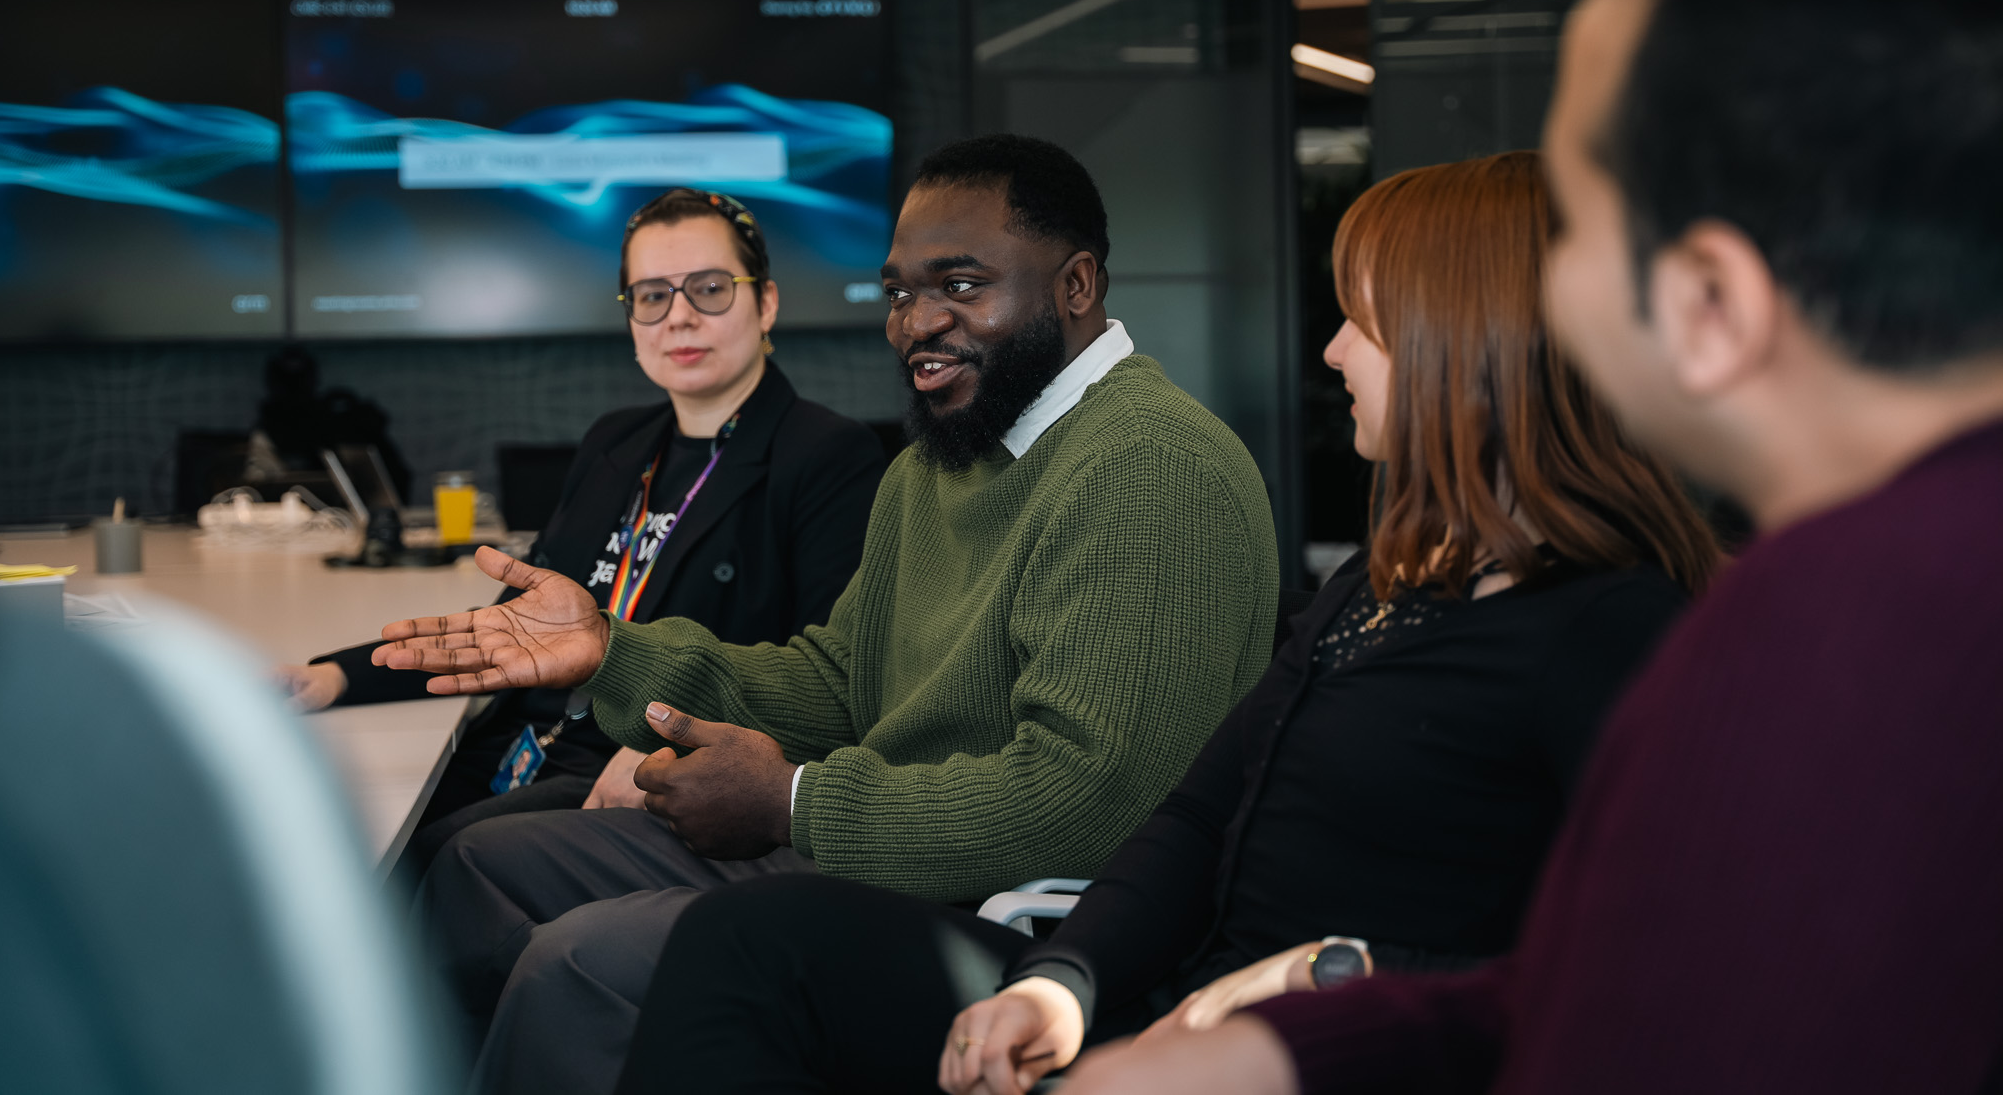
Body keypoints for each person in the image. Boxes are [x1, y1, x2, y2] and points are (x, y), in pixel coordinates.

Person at [1055, 0, 2003, 1095]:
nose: (1548, 287)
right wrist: (1290, 1042)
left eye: (1582, 220)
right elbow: (1626, 982)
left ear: (1708, 302)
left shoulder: (1835, 638)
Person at [612, 151, 1722, 1095]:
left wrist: (1329, 979)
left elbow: (1641, 966)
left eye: (1365, 321)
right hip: (1170, 989)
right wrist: (1065, 986)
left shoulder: (1607, 630)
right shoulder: (1378, 584)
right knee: (739, 945)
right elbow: (1196, 817)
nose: (1332, 351)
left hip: (1298, 1043)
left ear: (1479, 342)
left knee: (735, 946)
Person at [373, 134, 1282, 1095]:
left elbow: (1083, 804)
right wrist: (612, 652)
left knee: (584, 962)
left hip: (1015, 922)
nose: (916, 323)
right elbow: (841, 679)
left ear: (1077, 284)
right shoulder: (936, 464)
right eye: (898, 293)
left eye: (961, 285)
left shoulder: (1153, 468)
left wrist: (796, 801)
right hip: (876, 849)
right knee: (476, 866)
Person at [278, 188, 884, 883]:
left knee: (416, 871)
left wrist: (677, 749)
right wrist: (336, 674)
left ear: (766, 302)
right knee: (340, 843)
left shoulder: (828, 455)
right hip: (525, 739)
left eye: (711, 288)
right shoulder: (615, 442)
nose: (679, 316)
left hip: (629, 767)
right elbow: (514, 625)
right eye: (652, 296)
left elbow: (829, 677)